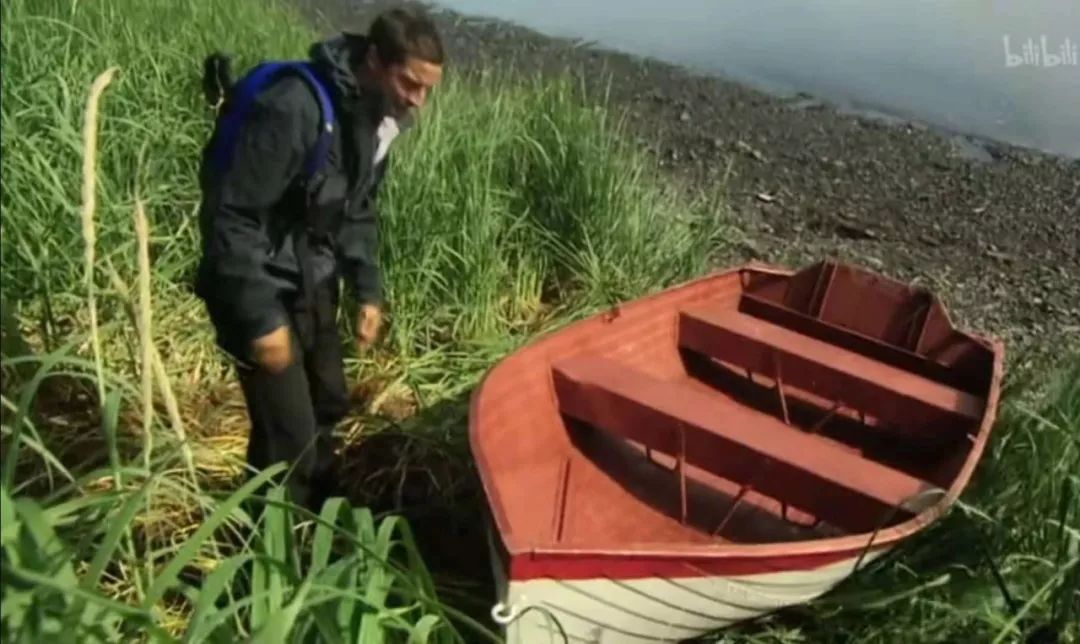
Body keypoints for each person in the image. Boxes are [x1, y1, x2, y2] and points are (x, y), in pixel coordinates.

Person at [193, 8, 445, 511]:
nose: (417, 101)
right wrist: (262, 321)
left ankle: (312, 520)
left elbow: (356, 210)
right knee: (289, 438)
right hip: (254, 282)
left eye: (427, 91)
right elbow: (230, 216)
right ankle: (260, 560)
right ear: (375, 59)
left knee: (329, 401)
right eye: (410, 83)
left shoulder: (376, 120)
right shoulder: (295, 107)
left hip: (310, 278)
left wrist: (367, 290)